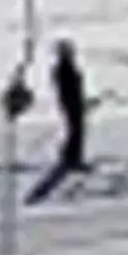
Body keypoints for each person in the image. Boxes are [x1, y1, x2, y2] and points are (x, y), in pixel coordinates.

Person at [51, 39, 87, 173]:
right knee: (75, 130)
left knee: (75, 130)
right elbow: (68, 88)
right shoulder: (64, 68)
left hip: (73, 102)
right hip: (71, 103)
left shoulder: (66, 67)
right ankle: (71, 157)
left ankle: (71, 156)